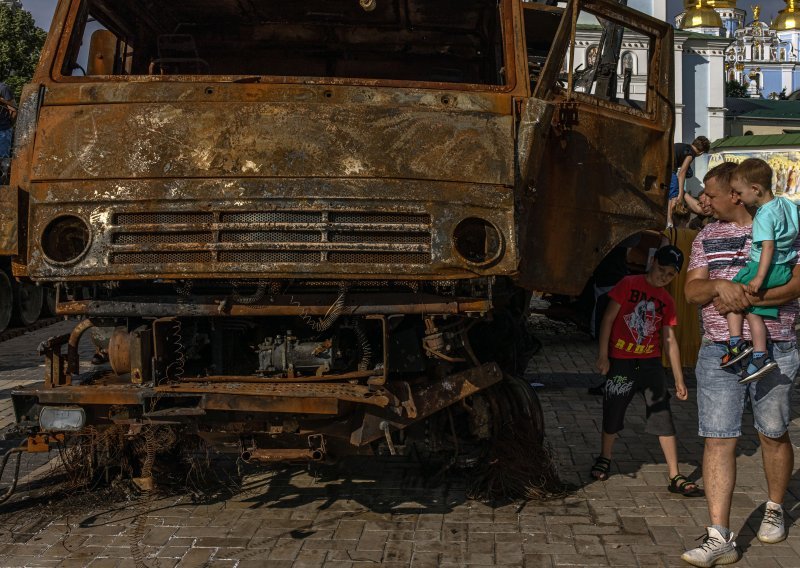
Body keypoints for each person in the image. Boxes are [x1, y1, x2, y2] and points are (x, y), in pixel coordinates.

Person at [682, 162, 800, 567]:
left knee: (773, 432)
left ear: (736, 194)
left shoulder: (782, 223)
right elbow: (692, 290)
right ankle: (719, 536)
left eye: (710, 196)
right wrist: (720, 286)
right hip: (720, 351)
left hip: (777, 346)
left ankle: (774, 506)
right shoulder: (706, 236)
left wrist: (748, 300)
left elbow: (798, 282)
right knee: (718, 438)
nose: (704, 203)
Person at [591, 245, 699, 497]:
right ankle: (605, 457)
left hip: (650, 364)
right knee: (614, 409)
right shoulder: (628, 284)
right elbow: (608, 319)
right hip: (621, 361)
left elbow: (669, 340)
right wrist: (603, 355)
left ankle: (674, 473)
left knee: (662, 414)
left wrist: (678, 378)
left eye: (670, 274)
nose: (663, 277)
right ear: (652, 262)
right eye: (661, 269)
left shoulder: (667, 301)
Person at [720, 158, 799, 383]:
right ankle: (759, 355)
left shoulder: (764, 214)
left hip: (763, 267)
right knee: (754, 311)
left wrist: (758, 277)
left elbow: (768, 246)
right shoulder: (786, 205)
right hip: (783, 268)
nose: (737, 198)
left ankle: (735, 343)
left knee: (733, 295)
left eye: (739, 192)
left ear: (755, 189)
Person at [668, 136, 711, 228]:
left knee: (689, 173)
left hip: (665, 165)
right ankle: (670, 222)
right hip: (669, 170)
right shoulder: (691, 153)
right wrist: (680, 194)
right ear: (701, 152)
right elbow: (682, 172)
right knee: (674, 197)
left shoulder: (685, 147)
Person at [0, 82, 16, 159]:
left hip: (3, 129)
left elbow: (13, 109)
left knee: (3, 158)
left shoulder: (3, 88)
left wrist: (9, 126)